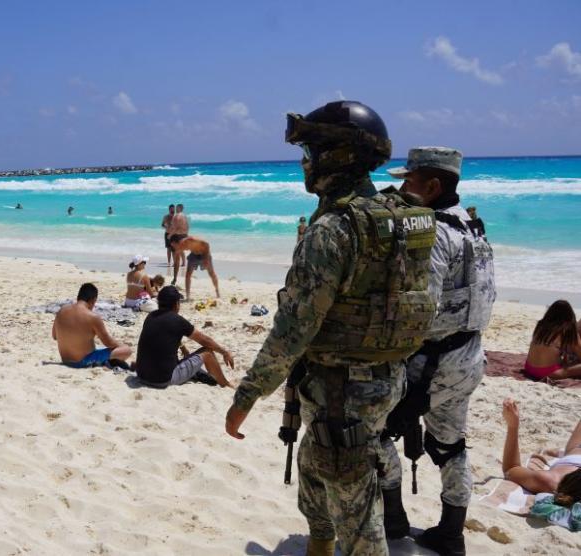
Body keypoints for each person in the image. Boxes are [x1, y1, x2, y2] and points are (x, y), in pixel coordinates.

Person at [225, 101, 436, 555]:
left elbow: (293, 329)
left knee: (358, 522)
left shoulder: (334, 230)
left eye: (311, 149)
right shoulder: (399, 217)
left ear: (336, 156)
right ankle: (319, 545)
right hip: (383, 380)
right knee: (313, 469)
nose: (305, 161)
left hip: (342, 392)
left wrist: (246, 396)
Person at [379, 147, 496, 553]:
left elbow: (420, 310)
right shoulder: (474, 227)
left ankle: (392, 520)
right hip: (470, 357)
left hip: (433, 362)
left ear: (432, 186)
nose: (401, 187)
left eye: (409, 181)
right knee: (450, 445)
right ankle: (451, 533)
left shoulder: (433, 235)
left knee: (376, 431)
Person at [135, 286, 234, 388]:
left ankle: (200, 374)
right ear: (176, 304)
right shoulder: (177, 320)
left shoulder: (150, 316)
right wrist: (225, 352)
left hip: (142, 375)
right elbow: (205, 340)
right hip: (162, 380)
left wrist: (182, 347)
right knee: (207, 352)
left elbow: (163, 337)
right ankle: (225, 384)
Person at [501, 398, 581, 502]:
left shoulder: (549, 481)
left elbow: (511, 469)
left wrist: (513, 426)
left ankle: (559, 452)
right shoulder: (550, 481)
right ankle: (559, 452)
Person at [52, 283, 132, 369]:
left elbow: (54, 336)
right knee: (126, 350)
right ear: (93, 300)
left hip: (65, 360)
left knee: (97, 347)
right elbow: (108, 343)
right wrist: (120, 345)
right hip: (82, 362)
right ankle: (103, 362)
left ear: (78, 297)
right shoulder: (92, 317)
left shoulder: (61, 311)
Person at [523, 300, 581, 380]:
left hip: (529, 368)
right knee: (568, 369)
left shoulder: (541, 324)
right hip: (547, 373)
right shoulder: (568, 329)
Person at [169, 234, 220, 299]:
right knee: (188, 275)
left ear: (175, 242)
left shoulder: (190, 240)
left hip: (204, 254)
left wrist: (206, 258)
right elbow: (176, 263)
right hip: (194, 255)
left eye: (173, 245)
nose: (173, 247)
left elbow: (206, 244)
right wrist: (175, 277)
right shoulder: (179, 248)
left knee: (211, 273)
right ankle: (188, 296)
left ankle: (217, 291)